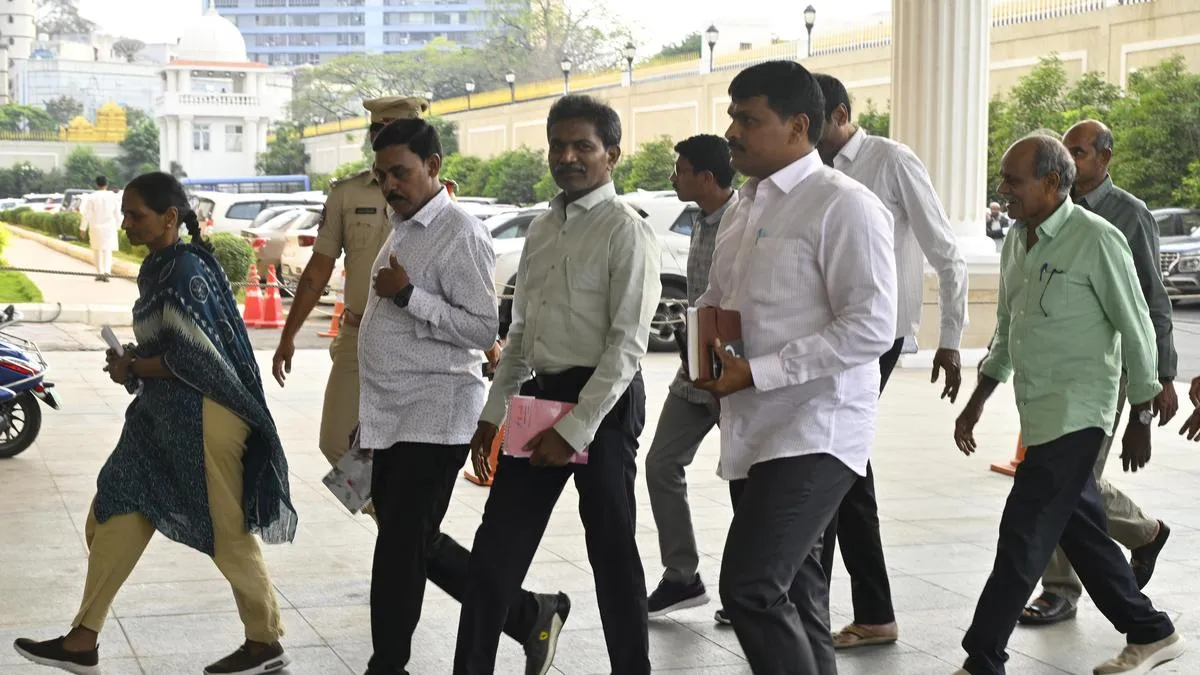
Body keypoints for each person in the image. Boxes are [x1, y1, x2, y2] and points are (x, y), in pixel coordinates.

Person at [13, 171, 297, 675]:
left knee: (225, 531)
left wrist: (134, 366)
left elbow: (199, 358)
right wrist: (134, 363)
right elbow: (171, 347)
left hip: (209, 418)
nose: (126, 224)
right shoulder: (160, 267)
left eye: (135, 215)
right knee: (115, 504)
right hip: (161, 419)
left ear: (170, 217)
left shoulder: (185, 268)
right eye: (123, 214)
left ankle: (264, 641)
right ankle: (84, 637)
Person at [953, 134, 1184, 675]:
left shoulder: (1097, 239)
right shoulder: (1017, 239)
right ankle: (1152, 630)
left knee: (1023, 532)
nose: (1002, 190)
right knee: (1078, 530)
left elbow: (1137, 326)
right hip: (1039, 410)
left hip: (1084, 411)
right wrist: (979, 397)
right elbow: (1009, 328)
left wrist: (1143, 415)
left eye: (1013, 180)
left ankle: (982, 655)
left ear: (1052, 183)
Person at [694, 60, 897, 674]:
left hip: (816, 426)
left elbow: (869, 326)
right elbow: (718, 298)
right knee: (798, 591)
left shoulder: (844, 205)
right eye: (732, 116)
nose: (732, 131)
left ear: (798, 126)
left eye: (748, 119)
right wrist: (702, 354)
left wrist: (756, 370)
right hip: (752, 425)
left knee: (751, 588)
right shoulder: (743, 206)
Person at [455, 94, 661, 675]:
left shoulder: (627, 232)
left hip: (604, 405)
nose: (568, 157)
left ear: (612, 155)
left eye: (583, 146)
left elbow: (626, 349)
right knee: (495, 556)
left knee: (612, 554)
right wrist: (493, 414)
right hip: (537, 401)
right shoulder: (543, 228)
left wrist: (573, 431)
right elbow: (518, 335)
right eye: (558, 145)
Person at [358, 118, 568, 675]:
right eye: (382, 176)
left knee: (400, 547)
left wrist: (407, 298)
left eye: (400, 173)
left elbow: (481, 331)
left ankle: (389, 664)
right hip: (394, 413)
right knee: (411, 540)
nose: (390, 186)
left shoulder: (460, 233)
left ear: (433, 166)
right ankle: (527, 614)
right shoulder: (402, 223)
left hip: (436, 413)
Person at [809, 72, 968, 649]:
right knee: (843, 465)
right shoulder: (810, 170)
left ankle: (813, 604)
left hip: (874, 336)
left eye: (810, 116)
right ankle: (854, 609)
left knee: (833, 461)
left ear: (840, 113)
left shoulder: (891, 161)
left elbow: (946, 251)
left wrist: (950, 336)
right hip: (823, 334)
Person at [1019, 119, 1179, 628]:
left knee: (1068, 481)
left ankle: (1060, 589)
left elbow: (1152, 305)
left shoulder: (1128, 216)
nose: (1071, 158)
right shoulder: (1049, 215)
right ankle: (1145, 532)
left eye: (1081, 151)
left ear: (1105, 158)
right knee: (1068, 480)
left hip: (1107, 373)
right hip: (1051, 376)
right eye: (1066, 150)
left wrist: (1155, 389)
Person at [644, 134, 737, 618]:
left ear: (705, 175)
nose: (673, 177)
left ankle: (754, 590)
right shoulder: (701, 220)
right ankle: (682, 576)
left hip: (737, 371)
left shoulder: (742, 222)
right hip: (694, 366)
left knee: (749, 481)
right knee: (661, 463)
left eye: (679, 169)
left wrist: (734, 369)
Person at [79, 175, 121, 282]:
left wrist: (82, 228)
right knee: (107, 250)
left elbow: (86, 214)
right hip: (109, 228)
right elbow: (117, 213)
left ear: (97, 184)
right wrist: (120, 225)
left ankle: (100, 273)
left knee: (97, 250)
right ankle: (107, 272)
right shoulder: (113, 197)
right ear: (107, 184)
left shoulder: (92, 197)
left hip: (95, 227)